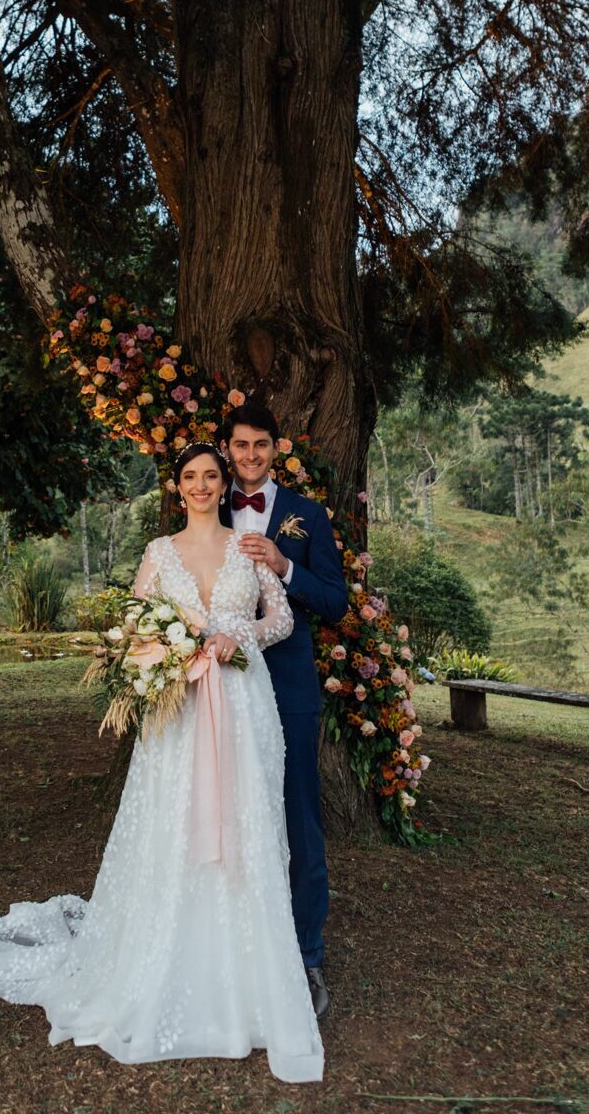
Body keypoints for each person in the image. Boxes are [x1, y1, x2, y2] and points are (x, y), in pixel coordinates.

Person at [0, 440, 324, 1083]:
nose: (204, 485)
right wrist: (174, 652)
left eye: (213, 476)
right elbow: (134, 625)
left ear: (222, 484)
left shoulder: (249, 546)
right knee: (175, 823)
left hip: (244, 706)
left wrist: (234, 639)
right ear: (177, 488)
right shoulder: (159, 554)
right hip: (180, 713)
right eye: (193, 477)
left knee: (247, 825)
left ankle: (246, 975)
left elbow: (282, 623)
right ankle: (166, 956)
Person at [219, 402, 348, 1020]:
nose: (250, 455)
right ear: (227, 449)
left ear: (277, 448)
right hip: (218, 688)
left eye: (260, 445)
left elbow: (336, 602)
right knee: (223, 813)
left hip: (289, 686)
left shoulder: (308, 515)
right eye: (240, 445)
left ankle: (307, 955)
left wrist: (284, 564)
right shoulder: (207, 504)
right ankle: (230, 947)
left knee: (299, 814)